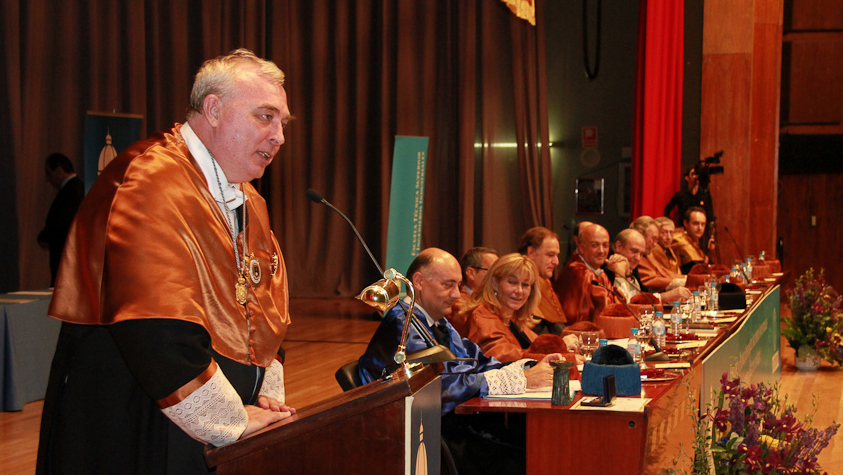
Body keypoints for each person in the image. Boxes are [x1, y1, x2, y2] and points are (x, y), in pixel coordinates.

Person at [37, 49, 295, 474]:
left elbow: (266, 301)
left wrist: (263, 389)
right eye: (265, 117)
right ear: (213, 109)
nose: (278, 136)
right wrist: (230, 418)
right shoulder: (149, 179)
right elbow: (154, 326)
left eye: (282, 123)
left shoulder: (247, 198)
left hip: (217, 417)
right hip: (139, 414)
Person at [356, 248, 561, 474]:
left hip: (453, 426)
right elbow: (436, 388)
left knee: (541, 443)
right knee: (533, 456)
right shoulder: (402, 326)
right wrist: (519, 378)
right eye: (448, 285)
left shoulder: (436, 322)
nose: (457, 294)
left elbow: (477, 360)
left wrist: (527, 368)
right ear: (419, 281)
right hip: (426, 439)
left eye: (458, 285)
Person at [461, 253, 579, 363]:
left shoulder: (513, 317)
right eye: (512, 282)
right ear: (494, 283)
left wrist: (563, 350)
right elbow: (503, 357)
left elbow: (537, 346)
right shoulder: (482, 315)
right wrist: (558, 350)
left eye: (525, 285)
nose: (519, 291)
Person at [554, 224, 621, 322]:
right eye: (595, 245)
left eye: (605, 245)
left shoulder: (597, 271)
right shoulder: (580, 273)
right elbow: (605, 313)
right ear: (581, 248)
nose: (601, 251)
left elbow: (617, 308)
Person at [37, 153, 85, 286]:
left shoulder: (71, 192)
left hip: (65, 259)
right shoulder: (78, 189)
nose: (49, 179)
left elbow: (63, 223)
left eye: (49, 173)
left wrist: (46, 236)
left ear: (59, 171)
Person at [607, 229, 691, 304]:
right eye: (634, 251)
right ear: (618, 246)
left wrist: (628, 274)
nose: (638, 258)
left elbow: (638, 297)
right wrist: (665, 296)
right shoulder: (608, 267)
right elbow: (626, 305)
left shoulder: (631, 266)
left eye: (641, 254)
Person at [517, 227, 567, 326]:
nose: (556, 262)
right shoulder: (521, 283)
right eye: (550, 255)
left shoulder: (544, 281)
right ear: (531, 252)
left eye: (557, 255)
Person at [450, 246, 498, 337]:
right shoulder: (459, 306)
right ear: (471, 273)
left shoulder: (496, 300)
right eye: (492, 271)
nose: (498, 277)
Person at [638, 216, 686, 291]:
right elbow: (652, 280)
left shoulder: (648, 255)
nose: (669, 237)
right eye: (664, 233)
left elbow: (665, 272)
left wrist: (689, 279)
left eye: (671, 233)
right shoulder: (650, 251)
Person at [671, 206, 715, 273]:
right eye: (696, 223)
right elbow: (695, 267)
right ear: (685, 223)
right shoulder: (679, 240)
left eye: (703, 224)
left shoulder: (696, 241)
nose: (700, 228)